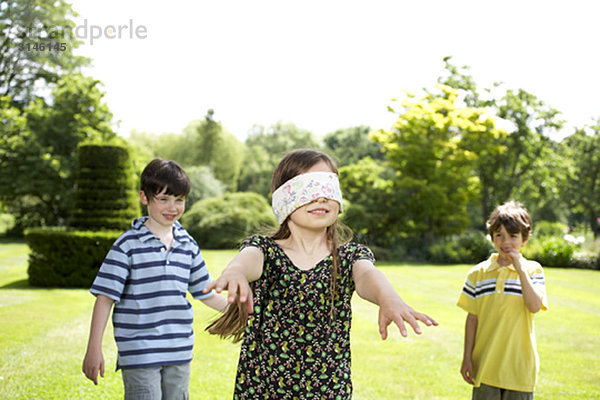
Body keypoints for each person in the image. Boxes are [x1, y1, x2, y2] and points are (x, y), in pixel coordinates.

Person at [203, 148, 438, 399]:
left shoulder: (348, 257)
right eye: (309, 188)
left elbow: (367, 275)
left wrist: (388, 298)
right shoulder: (264, 250)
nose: (321, 198)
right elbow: (246, 261)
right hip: (261, 390)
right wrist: (236, 273)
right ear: (283, 197)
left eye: (328, 188)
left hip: (328, 390)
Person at [82, 158, 228, 399]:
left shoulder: (188, 244)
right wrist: (93, 348)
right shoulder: (127, 245)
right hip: (139, 353)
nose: (172, 207)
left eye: (179, 200)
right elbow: (105, 298)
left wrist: (241, 311)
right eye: (163, 199)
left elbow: (205, 293)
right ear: (144, 197)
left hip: (179, 352)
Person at [458, 200, 548, 400]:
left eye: (513, 236)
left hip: (519, 369)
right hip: (486, 367)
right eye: (499, 235)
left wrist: (520, 269)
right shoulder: (477, 274)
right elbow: (472, 319)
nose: (505, 241)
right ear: (492, 237)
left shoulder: (534, 270)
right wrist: (467, 358)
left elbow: (534, 306)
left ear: (525, 239)